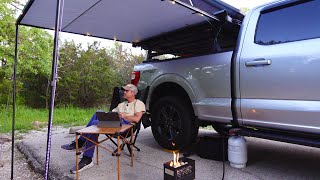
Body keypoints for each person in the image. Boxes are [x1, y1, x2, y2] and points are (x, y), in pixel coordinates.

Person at [61, 84, 146, 173]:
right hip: (115, 123)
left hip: (126, 127)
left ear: (133, 93)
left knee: (94, 125)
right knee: (98, 112)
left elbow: (136, 119)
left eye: (126, 91)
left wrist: (123, 117)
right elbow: (110, 114)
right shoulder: (121, 104)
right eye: (124, 90)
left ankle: (84, 149)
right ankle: (84, 152)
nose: (124, 92)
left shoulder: (139, 103)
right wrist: (107, 115)